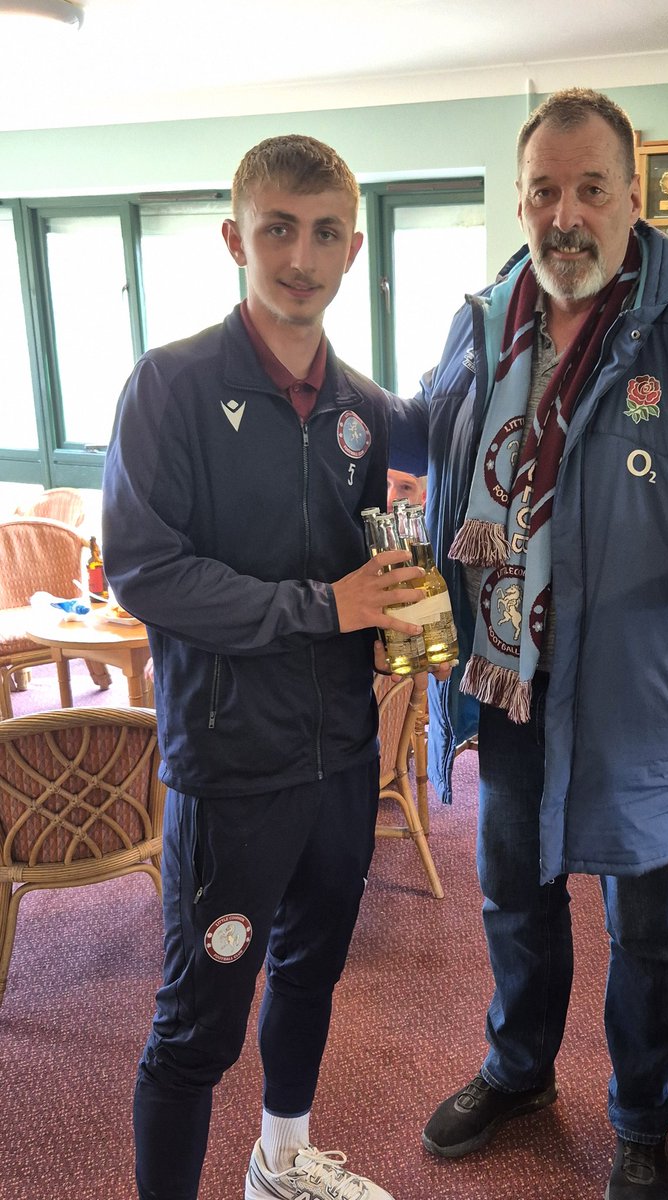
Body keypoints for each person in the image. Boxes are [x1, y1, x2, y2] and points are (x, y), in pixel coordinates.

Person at [392, 89, 668, 1200]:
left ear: (633, 197)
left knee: (651, 932)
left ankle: (642, 1117)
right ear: (520, 198)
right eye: (544, 189)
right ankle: (519, 1070)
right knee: (512, 897)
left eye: (591, 187)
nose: (566, 213)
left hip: (648, 702)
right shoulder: (480, 318)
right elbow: (427, 434)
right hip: (508, 688)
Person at [102, 134, 436, 1200]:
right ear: (234, 238)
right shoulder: (170, 386)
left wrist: (413, 609)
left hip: (344, 759)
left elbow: (391, 567)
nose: (302, 255)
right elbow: (145, 572)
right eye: (278, 229)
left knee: (311, 973)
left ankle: (281, 1163)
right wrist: (321, 606)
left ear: (352, 246)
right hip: (232, 766)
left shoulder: (373, 414)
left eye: (326, 231)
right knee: (198, 1018)